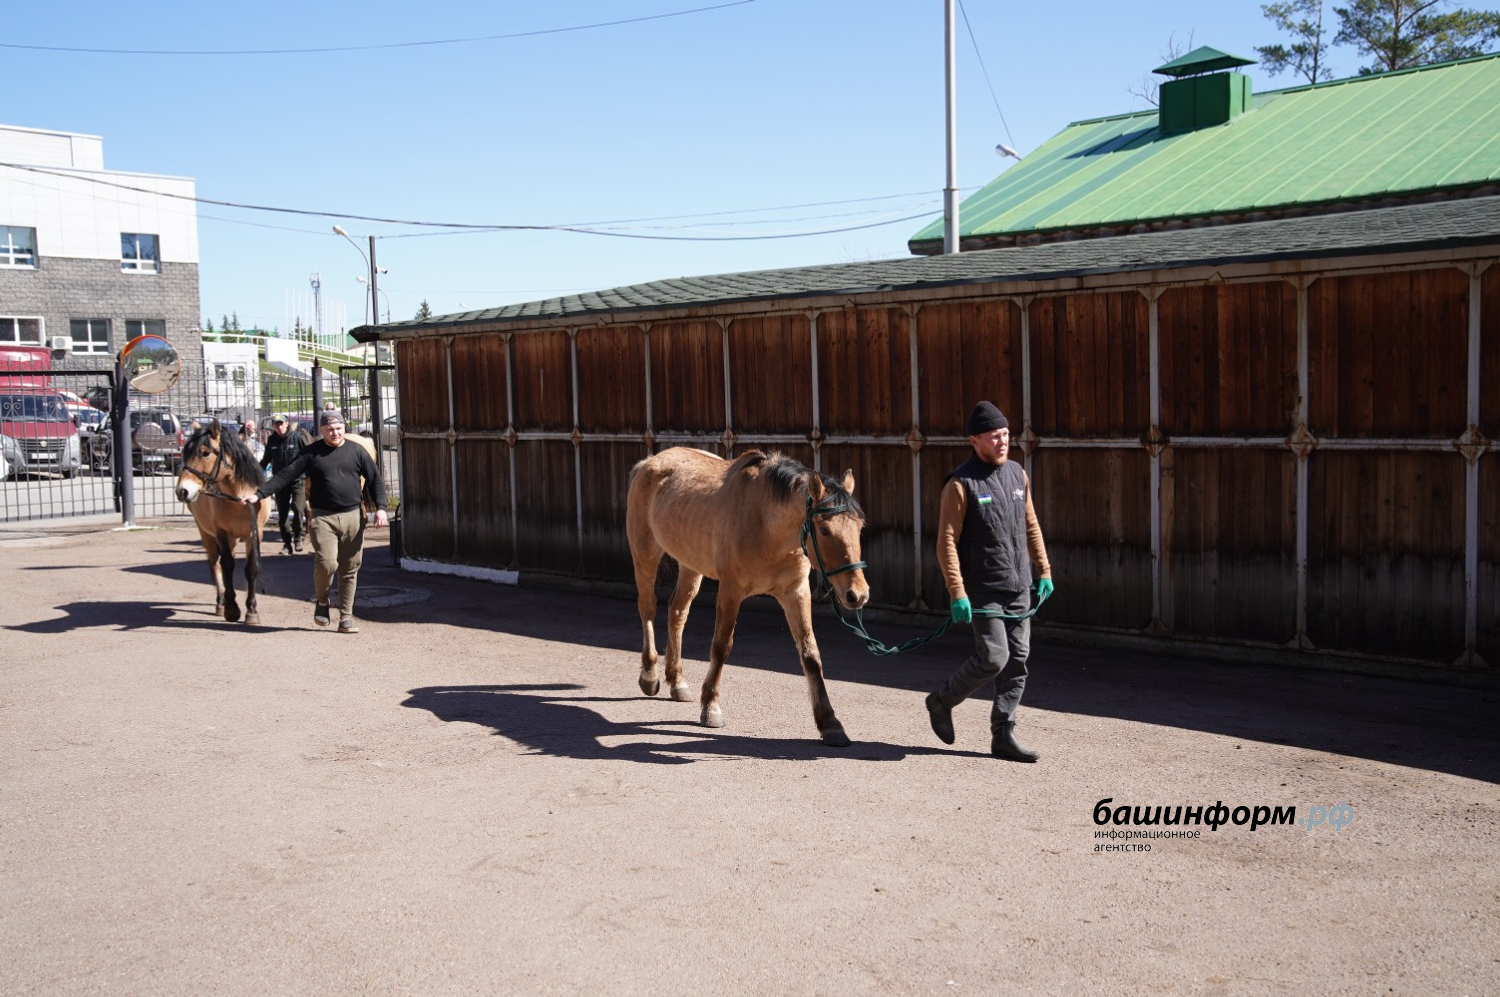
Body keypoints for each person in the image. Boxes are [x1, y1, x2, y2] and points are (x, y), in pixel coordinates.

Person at [924, 401, 1055, 762]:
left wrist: (1043, 570)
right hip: (983, 588)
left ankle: (1003, 733)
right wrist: (957, 593)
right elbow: (946, 541)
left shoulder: (1017, 474)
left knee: (1019, 661)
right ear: (974, 440)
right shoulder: (960, 484)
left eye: (1006, 435)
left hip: (1019, 585)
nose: (1002, 442)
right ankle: (941, 700)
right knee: (995, 657)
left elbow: (1031, 525)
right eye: (994, 437)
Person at [245, 409, 388, 633]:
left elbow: (375, 480)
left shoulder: (357, 451)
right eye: (329, 429)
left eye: (339, 428)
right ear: (321, 431)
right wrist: (259, 494)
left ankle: (346, 617)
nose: (335, 433)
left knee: (350, 567)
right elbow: (285, 475)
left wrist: (380, 508)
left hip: (352, 516)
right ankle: (322, 601)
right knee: (327, 563)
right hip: (323, 517)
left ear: (344, 428)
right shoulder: (311, 453)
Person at [261, 413, 310, 556]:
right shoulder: (271, 441)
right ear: (273, 426)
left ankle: (298, 537)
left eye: (281, 423)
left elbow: (309, 455)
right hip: (280, 481)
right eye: (277, 424)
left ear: (287, 423)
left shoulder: (297, 438)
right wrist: (256, 472)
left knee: (298, 507)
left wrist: (312, 472)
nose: (280, 427)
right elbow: (266, 460)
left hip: (297, 479)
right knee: (282, 514)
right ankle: (287, 543)